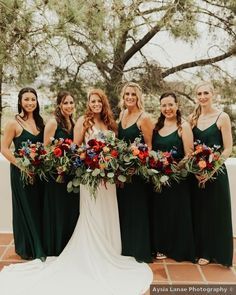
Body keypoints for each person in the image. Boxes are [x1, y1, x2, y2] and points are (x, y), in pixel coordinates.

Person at [0, 88, 153, 295]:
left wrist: (109, 162)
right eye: (92, 101)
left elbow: (116, 148)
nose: (96, 104)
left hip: (107, 179)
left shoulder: (111, 123)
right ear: (88, 103)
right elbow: (76, 148)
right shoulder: (83, 121)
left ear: (104, 103)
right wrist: (92, 160)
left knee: (108, 211)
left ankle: (111, 248)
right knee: (91, 214)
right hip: (90, 177)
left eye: (99, 101)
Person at [189, 81, 233, 266]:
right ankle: (201, 251)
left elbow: (228, 148)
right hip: (197, 174)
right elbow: (190, 149)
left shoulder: (222, 117)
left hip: (216, 173)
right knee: (199, 213)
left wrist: (211, 169)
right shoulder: (192, 118)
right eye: (199, 94)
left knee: (216, 213)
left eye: (206, 93)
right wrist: (197, 170)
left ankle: (217, 253)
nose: (202, 97)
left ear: (212, 94)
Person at [1, 87, 45, 260]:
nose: (30, 103)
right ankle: (31, 248)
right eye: (26, 99)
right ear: (20, 101)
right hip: (21, 172)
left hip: (38, 173)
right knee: (26, 208)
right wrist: (21, 165)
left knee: (38, 207)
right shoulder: (13, 123)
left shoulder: (41, 122)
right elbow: (4, 148)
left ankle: (40, 244)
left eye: (33, 99)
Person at [151, 92, 195, 262]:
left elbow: (189, 153)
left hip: (178, 178)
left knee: (177, 213)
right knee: (161, 213)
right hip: (158, 178)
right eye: (164, 105)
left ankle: (179, 249)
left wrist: (174, 168)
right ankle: (161, 247)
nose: (167, 109)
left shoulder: (183, 126)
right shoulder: (156, 127)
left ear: (177, 106)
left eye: (170, 105)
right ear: (160, 107)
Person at [117, 82, 154, 263]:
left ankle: (139, 249)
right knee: (124, 209)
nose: (130, 97)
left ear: (138, 97)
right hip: (122, 171)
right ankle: (126, 247)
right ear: (123, 97)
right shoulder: (122, 114)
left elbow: (149, 146)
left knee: (137, 209)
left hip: (137, 172)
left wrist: (137, 163)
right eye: (127, 94)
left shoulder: (144, 117)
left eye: (133, 94)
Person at [43, 90, 80, 256]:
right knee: (58, 209)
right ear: (59, 104)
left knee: (70, 209)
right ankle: (56, 246)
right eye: (65, 103)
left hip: (71, 172)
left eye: (71, 103)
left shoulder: (72, 122)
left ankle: (69, 246)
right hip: (56, 173)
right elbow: (46, 148)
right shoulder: (53, 122)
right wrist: (58, 164)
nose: (69, 106)